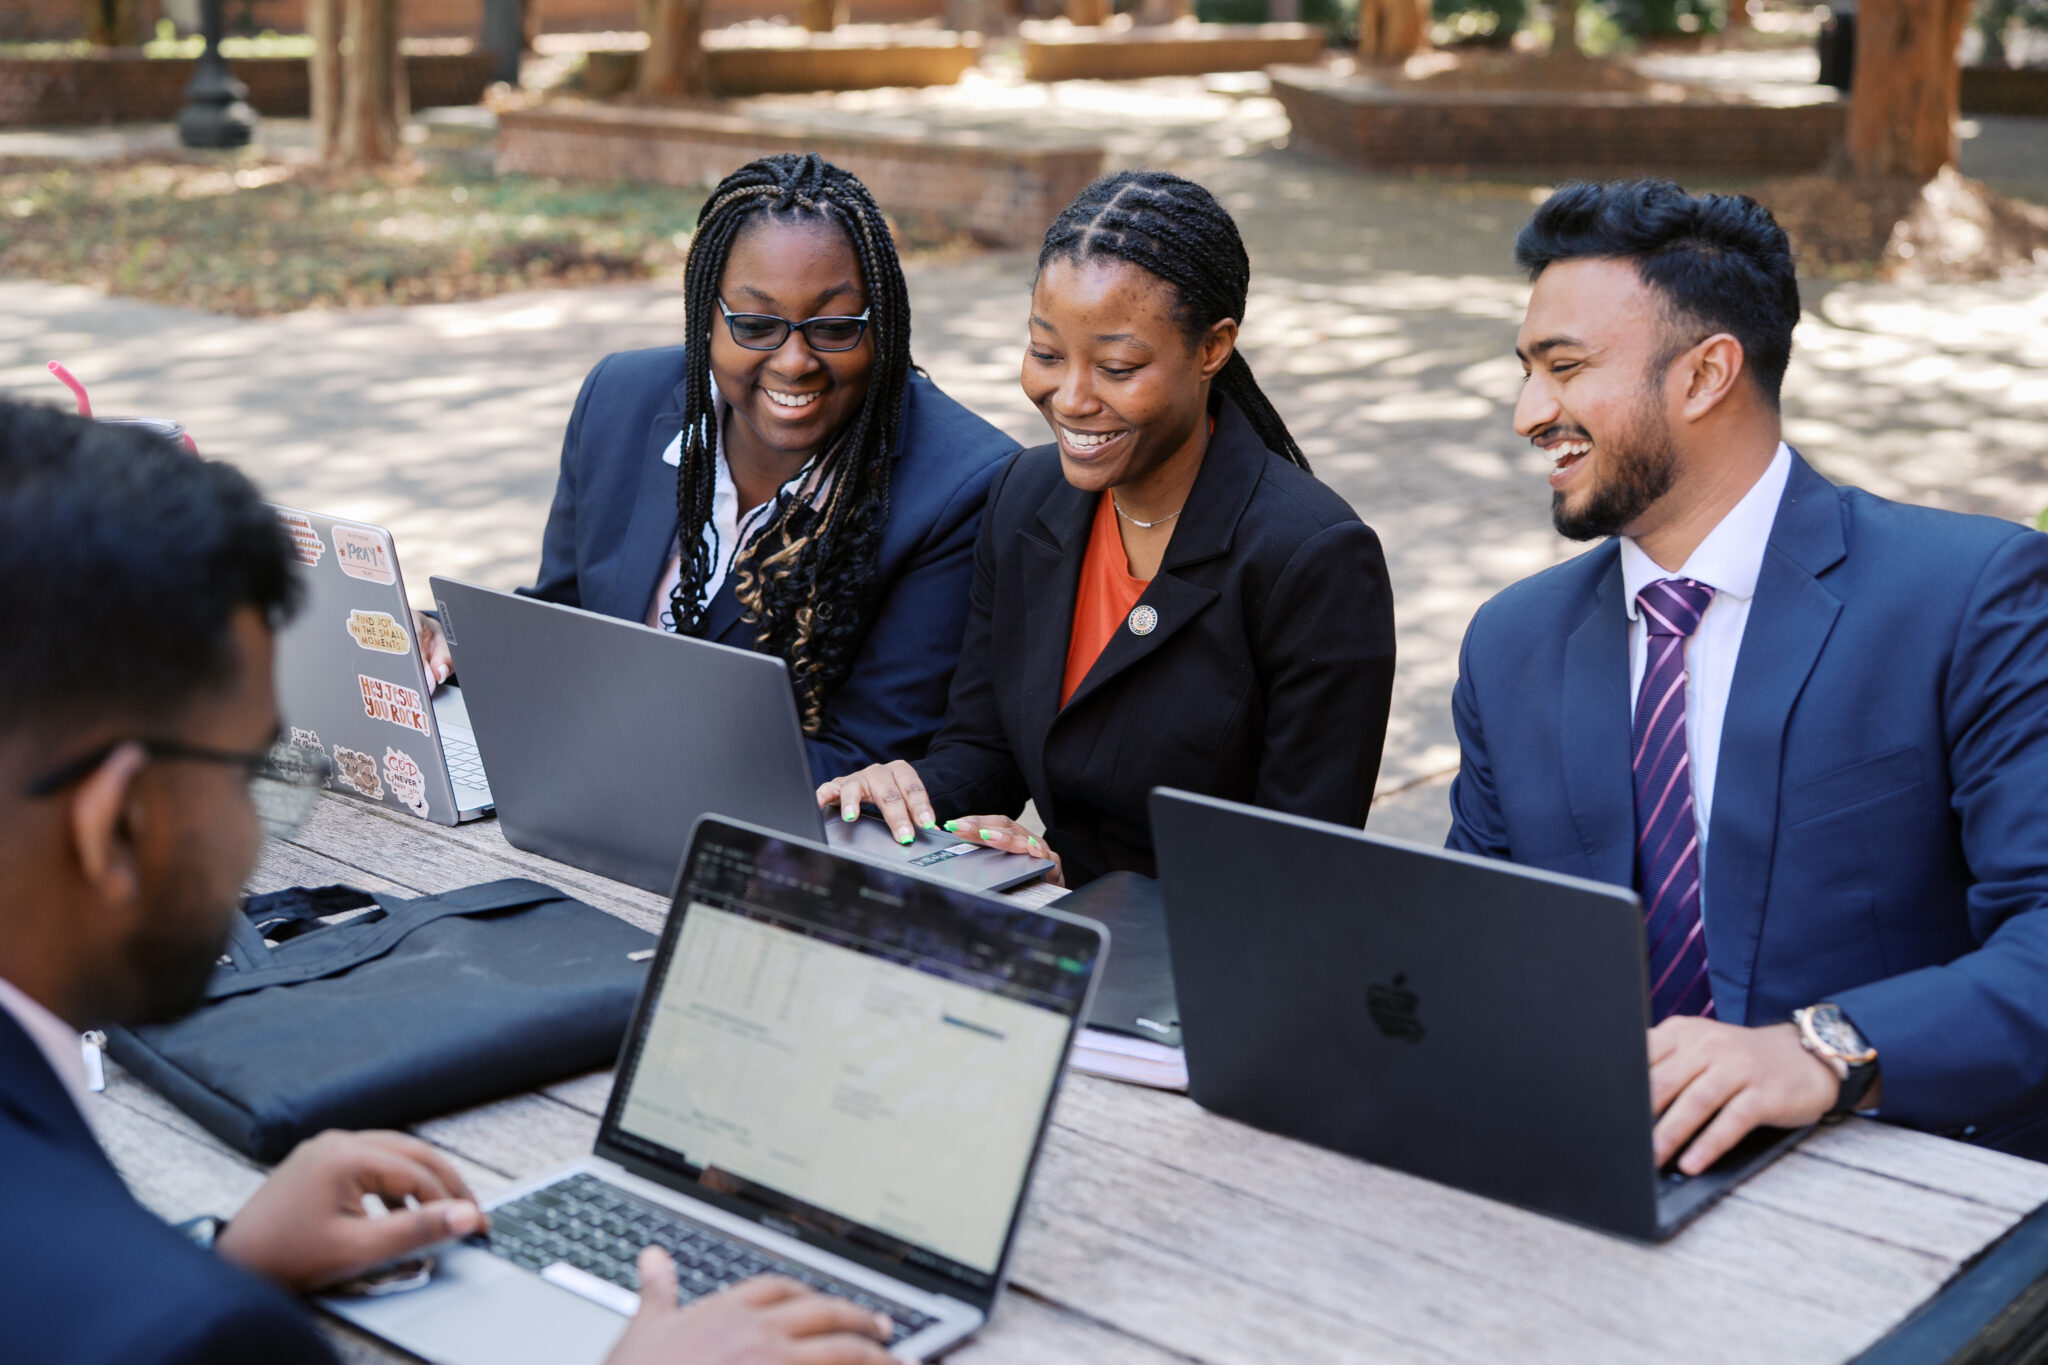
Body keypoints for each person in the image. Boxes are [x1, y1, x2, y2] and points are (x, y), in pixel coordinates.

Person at [0, 402, 895, 1365]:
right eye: (253, 770)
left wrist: (222, 1256)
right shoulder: (193, 1334)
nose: (262, 825)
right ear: (120, 821)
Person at [1446, 179, 2048, 1173]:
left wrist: (1821, 1052)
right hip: (1586, 1172)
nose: (1526, 412)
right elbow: (1464, 939)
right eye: (1525, 371)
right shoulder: (1511, 643)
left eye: (1563, 368)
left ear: (1703, 375)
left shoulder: (1968, 596)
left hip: (1898, 1179)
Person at [817, 171, 1397, 887]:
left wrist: (1084, 887)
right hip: (1053, 921)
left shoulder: (1312, 558)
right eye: (1047, 354)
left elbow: (1302, 870)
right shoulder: (1024, 496)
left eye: (1118, 367)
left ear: (1213, 347)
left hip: (1195, 964)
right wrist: (907, 796)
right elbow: (986, 747)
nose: (1071, 398)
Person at [418, 154, 1016, 791]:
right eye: (756, 325)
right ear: (706, 316)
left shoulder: (960, 487)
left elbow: (864, 758)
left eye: (836, 327)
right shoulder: (620, 399)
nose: (795, 362)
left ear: (884, 330)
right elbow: (563, 623)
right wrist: (448, 646)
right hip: (568, 800)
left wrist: (602, 751)